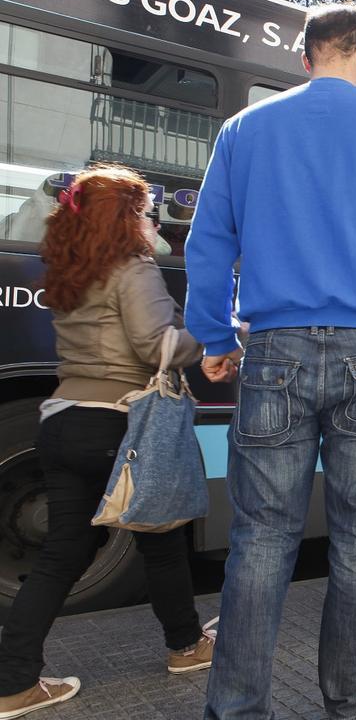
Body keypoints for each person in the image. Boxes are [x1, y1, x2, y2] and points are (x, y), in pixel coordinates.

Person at [185, 4, 356, 720]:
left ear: (305, 58)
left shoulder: (245, 129)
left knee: (260, 540)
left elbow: (208, 242)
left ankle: (237, 708)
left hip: (273, 351)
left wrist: (215, 338)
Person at [0, 165, 214, 718]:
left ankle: (14, 681)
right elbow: (154, 345)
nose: (152, 222)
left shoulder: (71, 270)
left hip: (63, 417)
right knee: (161, 538)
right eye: (146, 211)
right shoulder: (133, 268)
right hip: (119, 422)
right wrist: (216, 341)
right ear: (124, 217)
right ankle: (186, 647)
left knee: (61, 554)